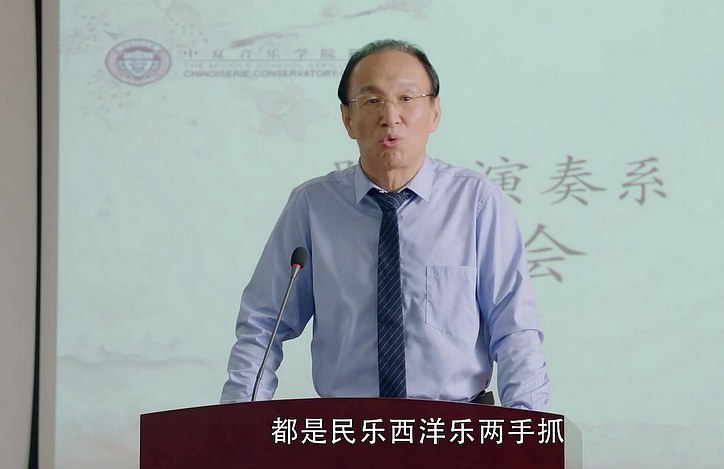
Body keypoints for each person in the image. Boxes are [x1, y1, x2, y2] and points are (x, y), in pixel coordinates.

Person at [220, 39, 550, 410]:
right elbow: (264, 324)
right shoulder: (313, 206)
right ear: (347, 118)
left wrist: (529, 428)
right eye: (372, 100)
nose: (390, 116)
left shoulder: (476, 201)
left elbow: (515, 326)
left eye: (407, 98)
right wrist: (237, 422)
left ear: (435, 113)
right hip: (348, 429)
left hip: (455, 424)